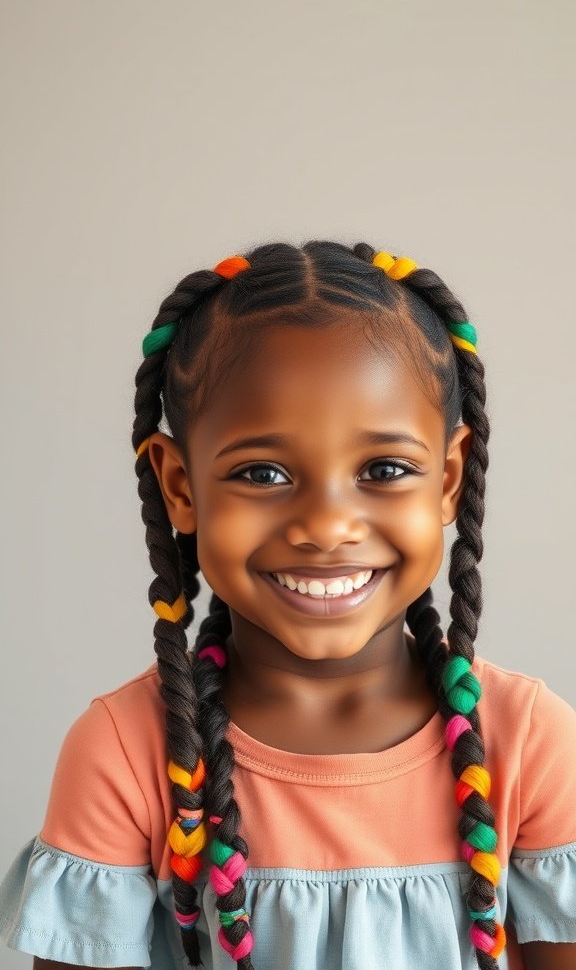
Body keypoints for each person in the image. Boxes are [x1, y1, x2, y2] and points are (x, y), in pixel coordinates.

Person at [1, 240, 575, 970]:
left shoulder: (530, 743)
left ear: (449, 479)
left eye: (385, 469)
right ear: (180, 486)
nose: (327, 525)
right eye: (263, 472)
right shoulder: (125, 751)